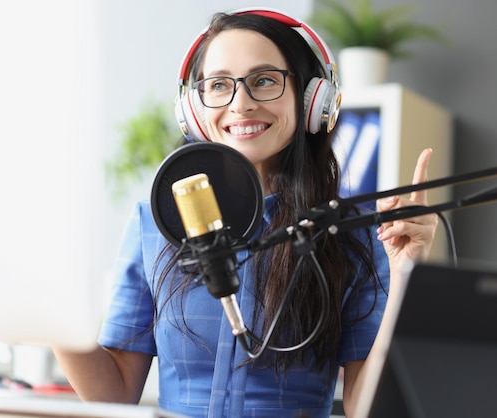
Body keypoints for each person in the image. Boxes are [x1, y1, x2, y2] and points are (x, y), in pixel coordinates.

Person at [54, 8, 438, 418]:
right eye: (219, 85)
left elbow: (366, 409)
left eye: (265, 81)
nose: (241, 104)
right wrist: (49, 306)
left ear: (312, 100)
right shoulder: (155, 223)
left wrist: (405, 275)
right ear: (193, 108)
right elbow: (113, 394)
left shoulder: (349, 234)